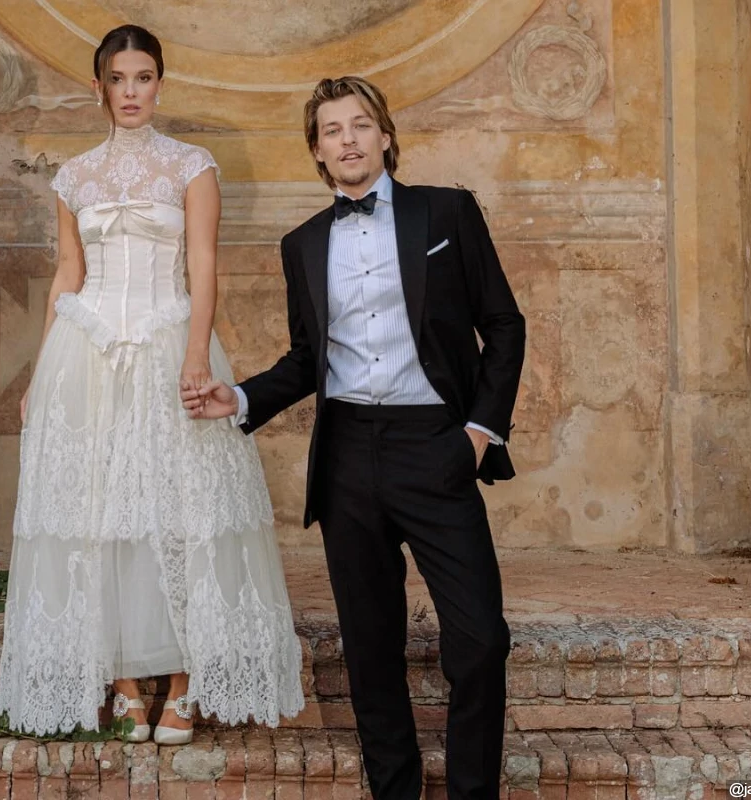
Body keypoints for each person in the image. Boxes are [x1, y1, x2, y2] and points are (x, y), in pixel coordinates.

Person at [183, 76, 525, 799]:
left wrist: (476, 433)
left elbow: (503, 324)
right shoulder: (302, 244)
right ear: (317, 150)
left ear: (385, 135)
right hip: (347, 458)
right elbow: (307, 359)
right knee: (370, 651)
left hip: (435, 445)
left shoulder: (447, 212)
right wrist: (238, 397)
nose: (348, 139)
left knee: (479, 639)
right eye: (332, 130)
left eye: (360, 125)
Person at [0, 24, 304, 746]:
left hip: (169, 343)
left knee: (182, 508)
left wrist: (195, 357)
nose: (131, 92)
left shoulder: (191, 165)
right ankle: (125, 685)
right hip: (86, 352)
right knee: (96, 512)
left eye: (143, 78)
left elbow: (204, 267)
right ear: (98, 87)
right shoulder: (73, 177)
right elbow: (68, 273)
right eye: (118, 79)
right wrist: (40, 373)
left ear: (159, 84)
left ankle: (186, 686)